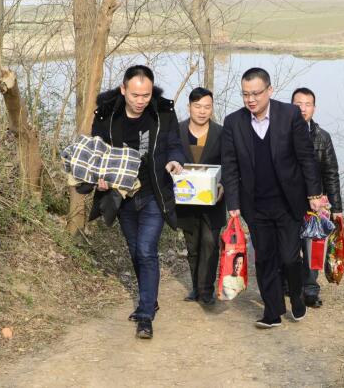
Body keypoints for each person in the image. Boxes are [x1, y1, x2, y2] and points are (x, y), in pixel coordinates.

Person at [221, 67, 323, 329]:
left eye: (256, 93)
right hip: (255, 205)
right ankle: (273, 311)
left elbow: (306, 157)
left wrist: (314, 193)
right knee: (265, 258)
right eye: (245, 94)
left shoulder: (289, 115)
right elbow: (230, 166)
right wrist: (233, 204)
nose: (251, 99)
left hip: (288, 202)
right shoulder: (234, 122)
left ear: (270, 90)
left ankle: (297, 297)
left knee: (289, 257)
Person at [91, 65, 185, 339]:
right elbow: (97, 153)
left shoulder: (163, 112)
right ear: (124, 90)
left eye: (146, 95)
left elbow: (174, 144)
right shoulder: (107, 115)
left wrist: (175, 160)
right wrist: (99, 177)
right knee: (135, 251)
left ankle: (145, 315)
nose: (141, 100)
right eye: (135, 95)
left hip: (154, 192)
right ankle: (149, 299)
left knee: (146, 250)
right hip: (122, 195)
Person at [292, 87, 343, 308]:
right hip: (287, 202)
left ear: (314, 108)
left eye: (308, 104)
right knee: (288, 247)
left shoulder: (322, 137)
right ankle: (288, 284)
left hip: (314, 205)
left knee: (312, 247)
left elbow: (331, 173)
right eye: (298, 104)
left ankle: (311, 290)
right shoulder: (280, 133)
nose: (303, 109)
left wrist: (336, 207)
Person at [176, 87, 226, 306]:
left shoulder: (222, 133)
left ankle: (207, 289)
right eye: (197, 106)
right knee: (193, 246)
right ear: (189, 107)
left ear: (212, 108)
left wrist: (224, 185)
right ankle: (196, 287)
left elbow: (230, 163)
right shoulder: (176, 131)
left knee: (210, 243)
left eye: (207, 107)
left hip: (213, 200)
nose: (202, 111)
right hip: (186, 199)